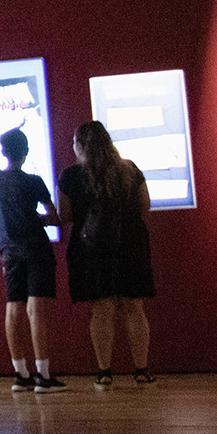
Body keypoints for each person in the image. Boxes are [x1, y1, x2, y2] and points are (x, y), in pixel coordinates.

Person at [60, 120, 157, 388]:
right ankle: (142, 370)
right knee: (134, 307)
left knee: (101, 309)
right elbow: (145, 205)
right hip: (131, 246)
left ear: (80, 145)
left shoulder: (71, 176)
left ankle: (104, 373)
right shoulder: (129, 169)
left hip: (91, 250)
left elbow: (65, 215)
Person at [0, 128, 65, 392]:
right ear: (26, 151)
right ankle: (43, 375)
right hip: (36, 249)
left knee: (13, 307)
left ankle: (20, 374)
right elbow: (54, 217)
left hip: (9, 251)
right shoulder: (34, 182)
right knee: (36, 310)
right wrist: (39, 220)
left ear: (3, 152)